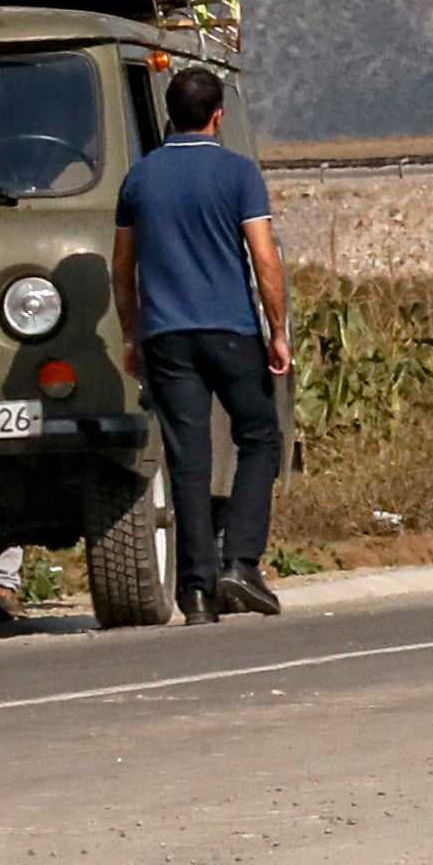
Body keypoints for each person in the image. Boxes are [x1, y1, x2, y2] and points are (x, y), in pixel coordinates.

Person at [115, 65, 291, 622]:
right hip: (231, 329)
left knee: (188, 458)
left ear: (169, 115)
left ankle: (195, 590)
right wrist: (278, 329)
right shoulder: (238, 174)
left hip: (166, 334)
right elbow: (264, 258)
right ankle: (240, 560)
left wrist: (130, 329)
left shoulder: (139, 178)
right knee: (260, 438)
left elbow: (122, 266)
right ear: (218, 115)